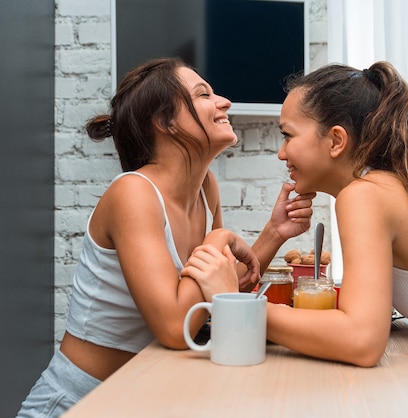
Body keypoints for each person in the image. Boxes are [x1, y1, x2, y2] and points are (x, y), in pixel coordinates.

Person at [192, 61, 408, 418]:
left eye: (287, 135)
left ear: (335, 140)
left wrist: (239, 309)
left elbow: (362, 340)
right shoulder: (387, 186)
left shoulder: (365, 195)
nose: (282, 153)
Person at [16, 57, 315, 418]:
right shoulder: (133, 194)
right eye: (204, 94)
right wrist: (216, 239)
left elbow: (216, 292)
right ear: (166, 122)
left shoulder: (207, 188)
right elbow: (176, 327)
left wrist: (274, 232)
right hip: (78, 402)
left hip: (142, 397)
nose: (224, 102)